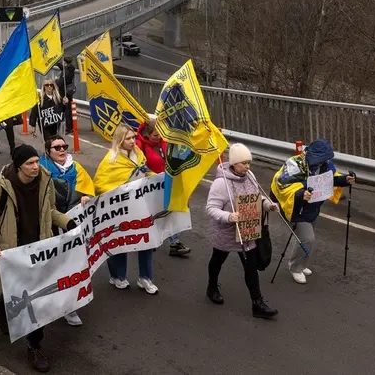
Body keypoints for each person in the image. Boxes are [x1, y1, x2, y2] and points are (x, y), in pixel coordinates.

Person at [0, 144, 75, 373]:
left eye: (37, 161)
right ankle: (4, 315)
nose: (35, 167)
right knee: (19, 294)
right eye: (30, 163)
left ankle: (33, 345)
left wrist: (68, 222)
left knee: (35, 301)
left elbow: (50, 211)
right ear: (19, 166)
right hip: (13, 255)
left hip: (39, 252)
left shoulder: (45, 182)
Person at [205, 143, 279, 319]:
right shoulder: (220, 183)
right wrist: (229, 216)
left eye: (249, 163)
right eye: (244, 163)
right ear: (234, 163)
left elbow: (256, 197)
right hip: (226, 231)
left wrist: (268, 205)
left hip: (246, 230)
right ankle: (212, 286)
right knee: (217, 260)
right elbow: (211, 208)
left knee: (250, 266)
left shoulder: (250, 176)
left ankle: (257, 304)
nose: (247, 166)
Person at [271, 138, 355, 284]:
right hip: (296, 208)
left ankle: (301, 264)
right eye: (322, 159)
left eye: (326, 159)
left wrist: (345, 180)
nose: (324, 161)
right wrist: (301, 194)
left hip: (312, 207)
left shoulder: (325, 164)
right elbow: (282, 185)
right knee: (307, 239)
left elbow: (331, 179)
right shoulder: (295, 164)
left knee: (305, 240)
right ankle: (295, 268)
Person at [93, 124, 158, 294]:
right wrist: (124, 187)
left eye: (133, 137)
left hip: (141, 205)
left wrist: (157, 178)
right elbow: (100, 185)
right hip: (120, 209)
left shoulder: (139, 154)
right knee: (119, 241)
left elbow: (146, 174)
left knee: (146, 240)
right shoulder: (110, 160)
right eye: (128, 138)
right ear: (120, 140)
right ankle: (117, 276)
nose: (132, 141)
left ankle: (145, 278)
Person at [39, 134, 94, 327]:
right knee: (51, 267)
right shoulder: (40, 169)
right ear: (48, 151)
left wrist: (85, 196)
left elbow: (88, 187)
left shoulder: (75, 167)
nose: (62, 150)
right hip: (49, 225)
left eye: (64, 146)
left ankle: (69, 308)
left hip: (71, 225)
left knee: (70, 266)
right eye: (57, 147)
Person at [135, 119, 191, 257]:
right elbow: (138, 167)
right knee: (154, 214)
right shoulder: (139, 146)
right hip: (151, 186)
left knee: (175, 209)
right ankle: (150, 239)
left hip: (169, 182)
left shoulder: (164, 142)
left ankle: (175, 242)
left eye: (161, 133)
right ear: (147, 134)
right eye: (155, 135)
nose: (159, 137)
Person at [55, 57, 76, 134]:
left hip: (64, 93)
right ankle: (71, 127)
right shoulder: (70, 69)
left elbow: (61, 83)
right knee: (69, 109)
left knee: (66, 110)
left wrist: (56, 80)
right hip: (68, 92)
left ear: (65, 63)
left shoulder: (66, 72)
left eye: (63, 62)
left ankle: (68, 128)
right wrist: (58, 64)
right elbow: (63, 69)